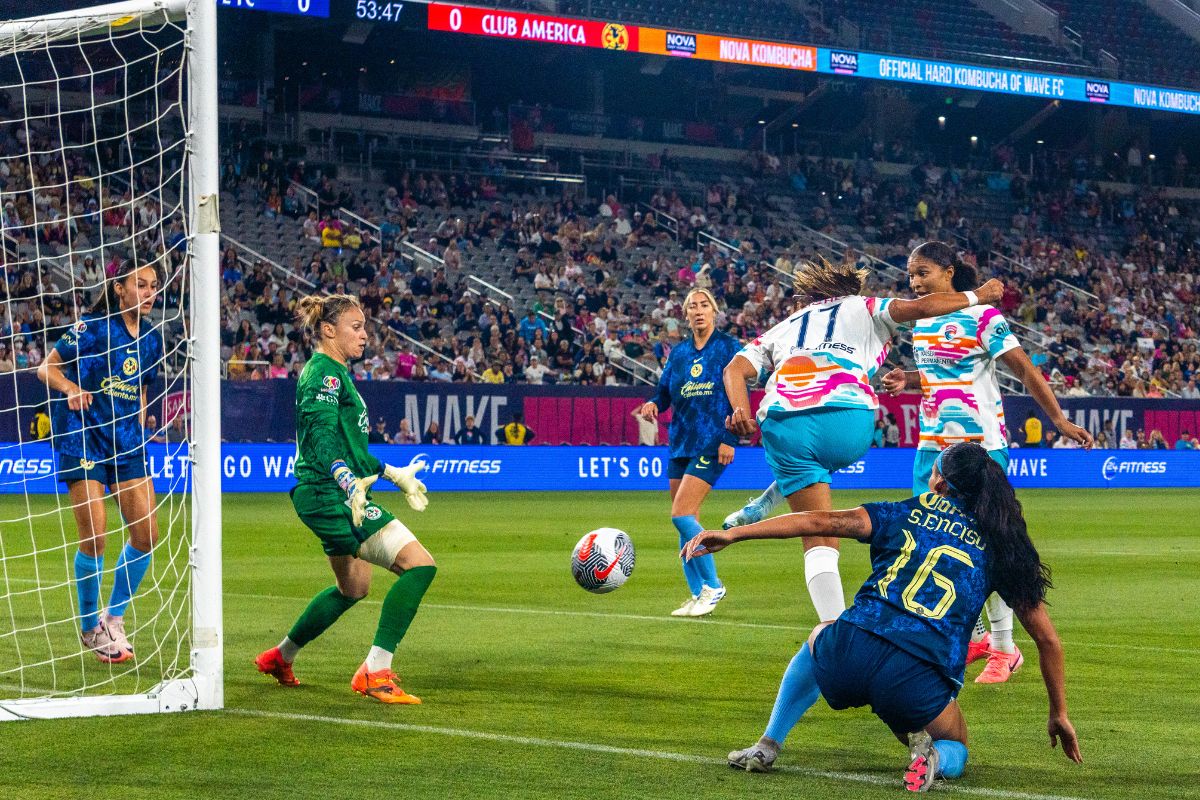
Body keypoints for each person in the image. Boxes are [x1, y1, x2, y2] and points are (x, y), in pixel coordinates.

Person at [682, 443, 1082, 790]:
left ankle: (766, 745)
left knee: (822, 631)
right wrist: (1058, 713)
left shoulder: (905, 512)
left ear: (941, 484)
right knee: (955, 742)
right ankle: (934, 761)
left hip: (850, 649)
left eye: (935, 469)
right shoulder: (1002, 546)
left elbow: (820, 522)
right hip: (917, 674)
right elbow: (1048, 641)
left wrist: (735, 534)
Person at [721, 257, 1004, 625]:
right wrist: (977, 295)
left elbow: (734, 369)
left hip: (782, 423)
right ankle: (765, 501)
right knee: (828, 476)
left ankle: (830, 627)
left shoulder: (785, 325)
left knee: (816, 534)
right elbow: (921, 307)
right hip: (848, 419)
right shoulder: (864, 305)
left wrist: (741, 411)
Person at [881, 243, 1092, 682]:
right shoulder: (922, 322)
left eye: (923, 273)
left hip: (979, 448)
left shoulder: (984, 317)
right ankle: (972, 638)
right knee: (932, 543)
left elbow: (1024, 370)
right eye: (911, 276)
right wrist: (911, 379)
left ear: (950, 272)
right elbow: (944, 373)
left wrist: (1058, 419)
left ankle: (1003, 648)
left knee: (987, 544)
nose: (915, 283)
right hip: (931, 448)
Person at [254, 294, 437, 704]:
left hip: (328, 492)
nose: (365, 334)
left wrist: (394, 474)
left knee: (353, 587)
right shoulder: (326, 376)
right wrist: (346, 480)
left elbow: (353, 449)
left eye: (364, 326)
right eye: (356, 326)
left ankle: (280, 657)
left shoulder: (335, 373)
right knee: (420, 566)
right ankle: (375, 671)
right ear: (328, 330)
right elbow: (320, 439)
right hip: (328, 493)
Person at [37, 261, 165, 663]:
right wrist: (71, 388)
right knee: (94, 535)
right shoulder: (91, 328)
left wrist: (144, 420)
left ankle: (114, 617)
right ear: (118, 289)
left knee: (146, 534)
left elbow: (142, 388)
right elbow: (46, 367)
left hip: (127, 443)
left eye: (153, 286)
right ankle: (91, 627)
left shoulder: (152, 340)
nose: (148, 293)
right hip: (83, 437)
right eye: (139, 285)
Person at [637, 288, 741, 618]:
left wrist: (730, 437)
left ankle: (713, 585)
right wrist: (654, 403)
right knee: (686, 522)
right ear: (685, 314)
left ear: (714, 311)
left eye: (704, 305)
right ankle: (697, 594)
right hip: (680, 442)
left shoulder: (727, 347)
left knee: (681, 515)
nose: (698, 310)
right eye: (692, 306)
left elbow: (738, 392)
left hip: (711, 441)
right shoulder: (679, 353)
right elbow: (664, 392)